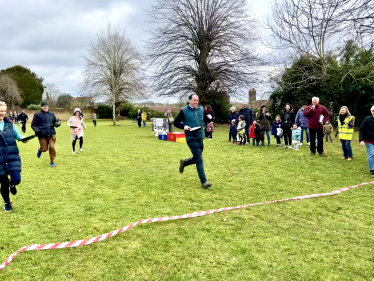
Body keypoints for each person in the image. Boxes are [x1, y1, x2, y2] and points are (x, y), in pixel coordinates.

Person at [174, 94, 212, 188]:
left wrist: (209, 117)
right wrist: (184, 126)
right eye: (194, 100)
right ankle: (204, 181)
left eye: (197, 100)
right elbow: (175, 122)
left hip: (200, 137)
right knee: (199, 159)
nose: (196, 102)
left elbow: (205, 118)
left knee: (196, 158)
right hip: (191, 138)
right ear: (190, 100)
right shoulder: (184, 111)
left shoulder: (201, 109)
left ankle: (184, 163)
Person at [0, 102, 27, 212]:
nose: (2, 113)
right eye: (0, 111)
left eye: (3, 111)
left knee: (16, 179)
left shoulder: (10, 123)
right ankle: (7, 202)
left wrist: (23, 138)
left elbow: (17, 135)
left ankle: (12, 184)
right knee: (3, 183)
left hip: (12, 156)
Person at [31, 101, 60, 167]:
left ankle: (52, 161)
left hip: (51, 134)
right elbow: (33, 124)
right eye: (44, 106)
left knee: (51, 147)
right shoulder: (37, 115)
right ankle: (40, 150)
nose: (45, 107)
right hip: (42, 135)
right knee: (44, 149)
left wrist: (57, 123)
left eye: (46, 106)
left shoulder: (52, 114)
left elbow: (55, 122)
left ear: (48, 107)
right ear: (41, 107)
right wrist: (37, 130)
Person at [359, 106, 374, 176]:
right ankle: (372, 170)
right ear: (371, 111)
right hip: (369, 140)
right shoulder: (367, 119)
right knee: (371, 154)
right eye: (373, 111)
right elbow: (361, 129)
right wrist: (361, 140)